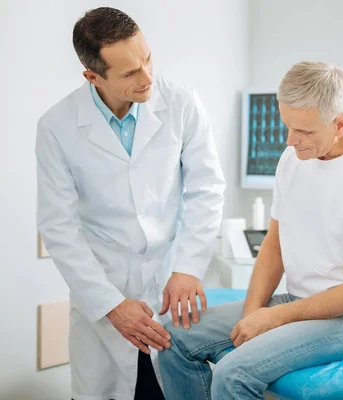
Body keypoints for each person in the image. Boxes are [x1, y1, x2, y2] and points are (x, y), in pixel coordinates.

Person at [158, 61, 343, 399]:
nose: (291, 141)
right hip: (300, 299)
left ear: (340, 123)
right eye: (287, 126)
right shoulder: (293, 158)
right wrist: (253, 314)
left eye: (305, 132)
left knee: (233, 373)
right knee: (173, 338)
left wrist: (274, 318)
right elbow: (274, 247)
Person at [35, 7, 225, 400]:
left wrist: (188, 268)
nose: (147, 77)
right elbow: (59, 227)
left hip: (170, 285)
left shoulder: (182, 104)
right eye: (129, 73)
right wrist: (111, 304)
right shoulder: (57, 126)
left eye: (148, 59)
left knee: (169, 388)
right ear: (92, 77)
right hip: (103, 292)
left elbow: (207, 188)